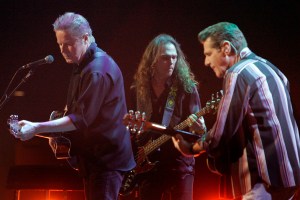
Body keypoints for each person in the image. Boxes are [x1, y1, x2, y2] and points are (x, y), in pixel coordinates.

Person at [11, 12, 136, 200]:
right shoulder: (83, 64)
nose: (63, 50)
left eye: (68, 43)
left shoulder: (97, 71)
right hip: (94, 159)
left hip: (106, 161)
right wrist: (51, 132)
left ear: (85, 38)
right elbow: (76, 110)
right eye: (60, 44)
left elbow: (80, 119)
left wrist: (36, 127)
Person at [172, 22, 300, 200]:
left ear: (225, 48)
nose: (206, 62)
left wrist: (191, 148)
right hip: (289, 179)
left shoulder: (238, 73)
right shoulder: (273, 69)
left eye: (209, 54)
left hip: (263, 184)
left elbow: (222, 133)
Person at [127, 34, 206, 200]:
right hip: (147, 166)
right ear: (152, 60)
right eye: (165, 58)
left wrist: (200, 129)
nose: (171, 62)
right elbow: (129, 126)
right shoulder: (138, 90)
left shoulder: (187, 89)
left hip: (179, 165)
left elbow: (198, 130)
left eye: (174, 57)